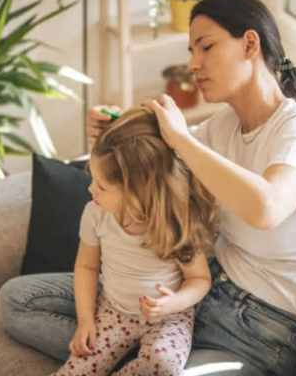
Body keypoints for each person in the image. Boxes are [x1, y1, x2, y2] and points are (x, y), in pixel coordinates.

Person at [0, 0, 296, 375]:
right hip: (186, 292)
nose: (193, 64)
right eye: (191, 51)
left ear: (250, 45)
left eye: (206, 47)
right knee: (17, 300)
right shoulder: (224, 124)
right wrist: (112, 132)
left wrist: (182, 139)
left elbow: (266, 208)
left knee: (163, 367)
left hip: (255, 328)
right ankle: (129, 352)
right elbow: (150, 167)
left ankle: (139, 359)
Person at [49, 108, 217, 376]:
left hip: (168, 318)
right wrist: (85, 321)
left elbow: (199, 279)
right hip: (114, 312)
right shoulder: (95, 213)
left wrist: (175, 302)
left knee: (163, 365)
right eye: (93, 180)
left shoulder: (174, 220)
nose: (91, 189)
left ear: (138, 192)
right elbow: (87, 267)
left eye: (102, 186)